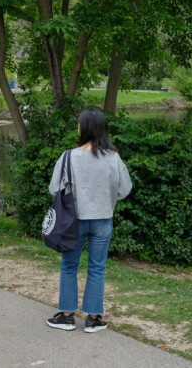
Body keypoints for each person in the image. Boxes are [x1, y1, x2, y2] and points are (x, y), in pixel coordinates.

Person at [46, 109, 132, 333]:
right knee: (97, 268)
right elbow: (125, 189)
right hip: (103, 219)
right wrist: (107, 198)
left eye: (79, 124)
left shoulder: (68, 156)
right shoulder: (113, 158)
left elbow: (54, 188)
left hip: (73, 221)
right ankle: (93, 319)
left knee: (69, 266)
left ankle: (66, 316)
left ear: (84, 129)